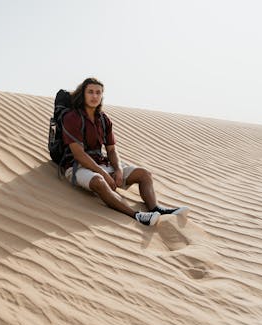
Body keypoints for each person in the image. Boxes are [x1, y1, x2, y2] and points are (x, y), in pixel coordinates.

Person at [62, 78, 189, 226]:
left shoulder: (103, 119)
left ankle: (156, 208)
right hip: (77, 166)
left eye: (98, 93)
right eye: (90, 92)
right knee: (99, 181)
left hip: (101, 163)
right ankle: (137, 215)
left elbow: (111, 149)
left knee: (144, 174)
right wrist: (104, 174)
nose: (94, 96)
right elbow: (79, 154)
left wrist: (118, 169)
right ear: (82, 94)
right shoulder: (72, 117)